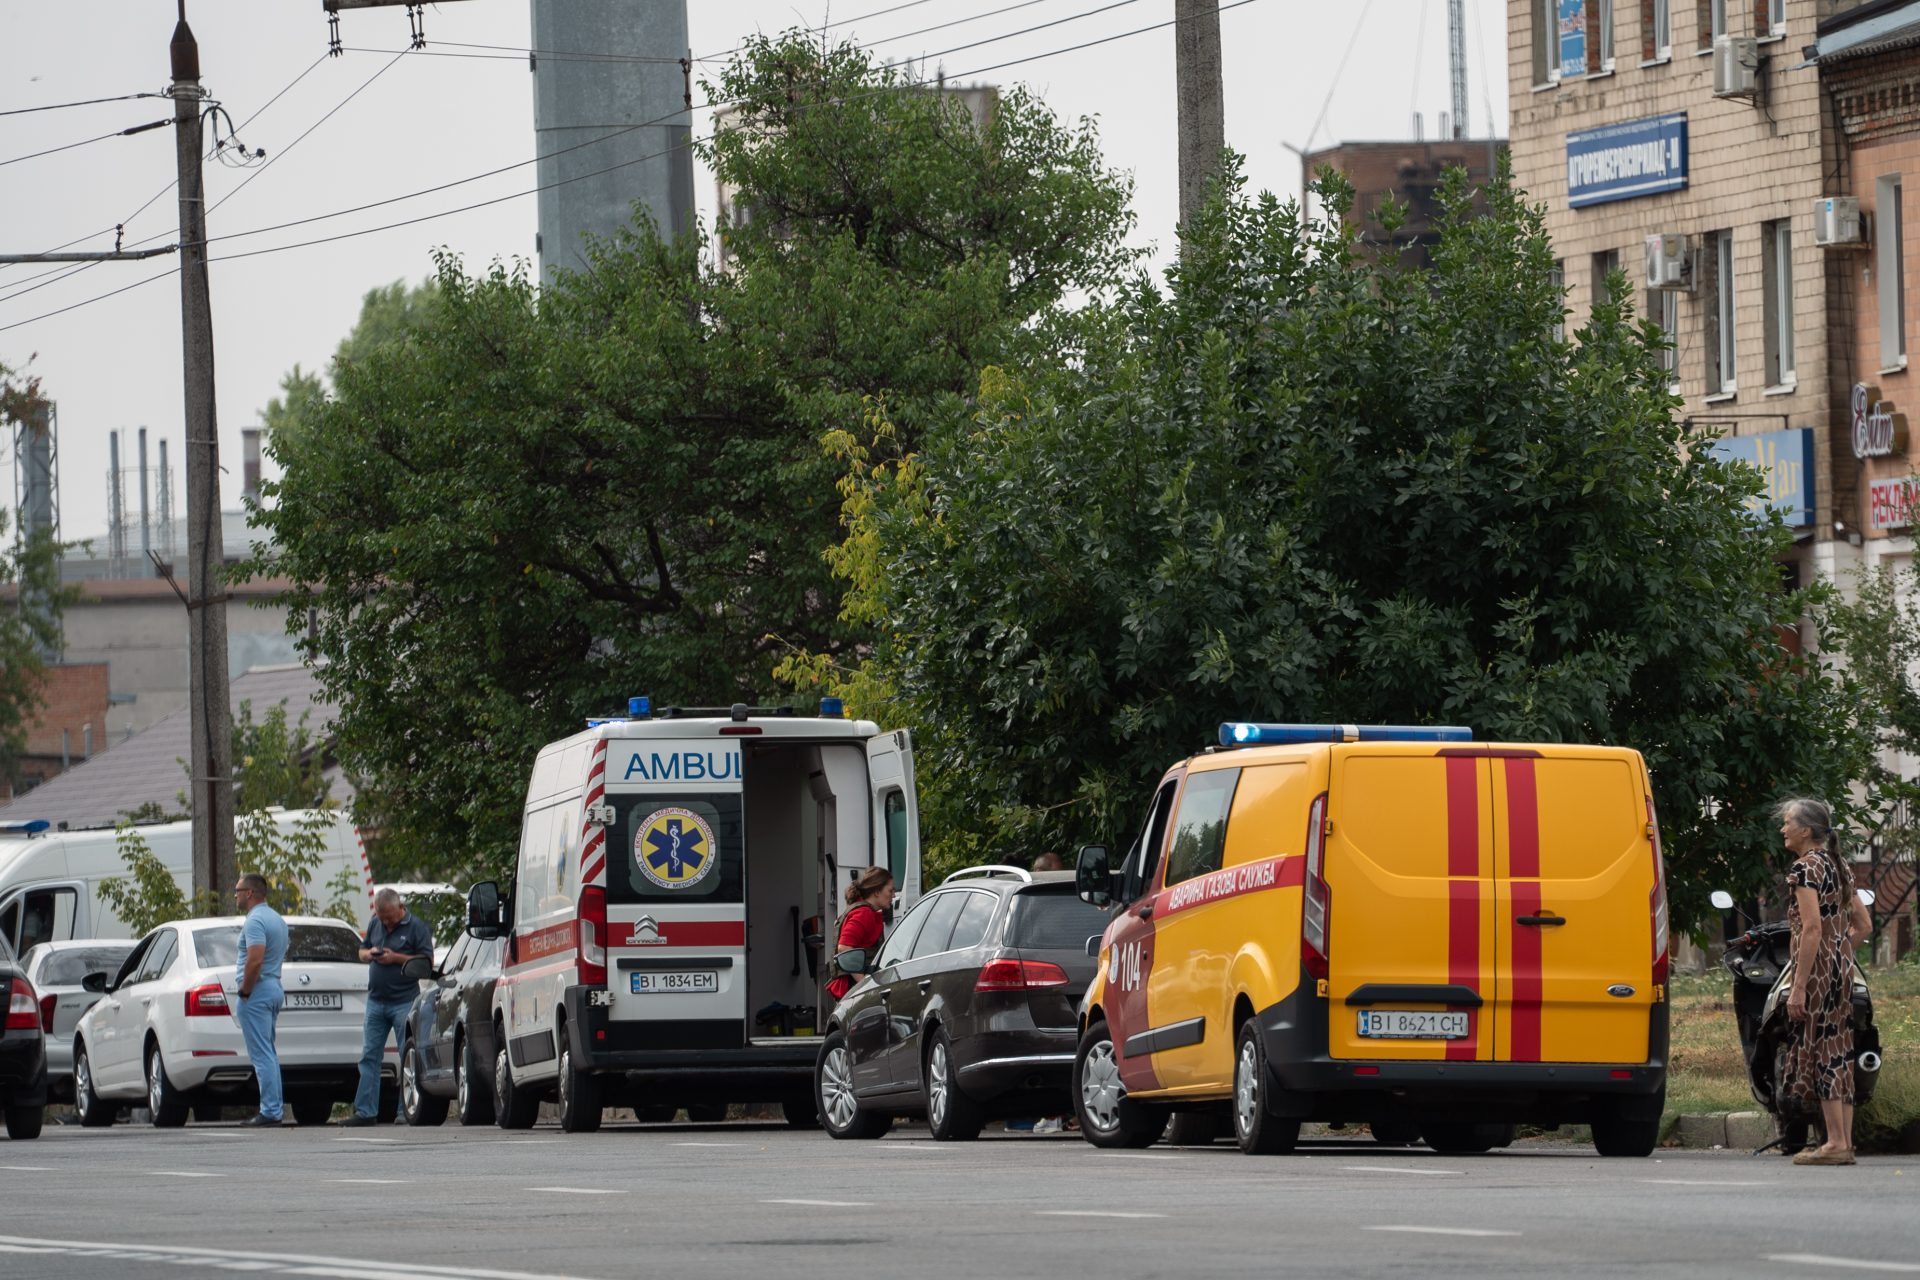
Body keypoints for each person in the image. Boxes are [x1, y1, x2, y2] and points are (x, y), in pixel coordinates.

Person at [1777, 797, 1873, 1166]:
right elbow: (1863, 925)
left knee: (1821, 1050)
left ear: (1805, 830)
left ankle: (1833, 1143)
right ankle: (1844, 1142)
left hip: (1817, 970)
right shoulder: (1839, 865)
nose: (1783, 829)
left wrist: (1799, 985)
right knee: (1839, 1048)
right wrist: (1840, 951)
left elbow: (1812, 928)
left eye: (1787, 823)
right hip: (1841, 967)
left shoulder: (1804, 870)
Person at [340, 887, 433, 1127]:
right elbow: (361, 950)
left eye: (390, 918)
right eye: (382, 919)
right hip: (376, 1001)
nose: (387, 923)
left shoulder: (417, 928)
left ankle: (406, 1111)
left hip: (404, 1000)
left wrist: (396, 958)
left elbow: (426, 963)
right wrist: (369, 953)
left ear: (400, 908)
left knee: (407, 1056)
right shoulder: (375, 923)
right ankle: (365, 1111)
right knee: (369, 1056)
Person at [232, 873, 289, 1129]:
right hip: (274, 985)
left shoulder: (254, 921)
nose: (235, 895)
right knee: (269, 1052)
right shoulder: (277, 919)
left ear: (250, 893)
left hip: (257, 992)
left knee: (262, 1055)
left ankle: (270, 1111)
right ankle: (273, 1108)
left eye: (238, 890)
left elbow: (255, 959)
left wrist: (244, 991)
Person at [826, 868, 895, 1002]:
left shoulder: (865, 911)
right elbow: (844, 947)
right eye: (890, 890)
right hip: (854, 990)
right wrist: (865, 986)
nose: (893, 895)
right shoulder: (864, 914)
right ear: (876, 892)